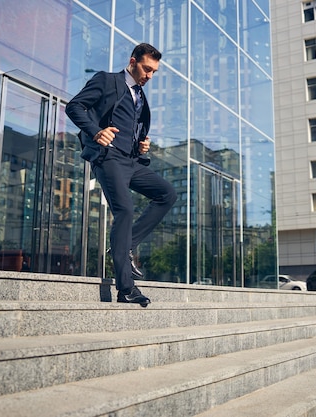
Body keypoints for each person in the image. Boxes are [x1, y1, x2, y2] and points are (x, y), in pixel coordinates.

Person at [66, 43, 177, 307]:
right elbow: (74, 107)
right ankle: (126, 288)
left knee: (167, 194)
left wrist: (141, 143)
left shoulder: (140, 95)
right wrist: (96, 131)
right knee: (125, 210)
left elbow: (132, 124)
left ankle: (127, 245)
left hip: (131, 160)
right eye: (146, 69)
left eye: (154, 72)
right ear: (132, 61)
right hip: (109, 158)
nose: (149, 76)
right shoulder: (107, 80)